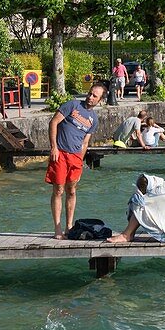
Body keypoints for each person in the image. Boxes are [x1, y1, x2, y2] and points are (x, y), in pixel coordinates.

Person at [46, 82, 104, 239]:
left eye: (94, 96)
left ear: (100, 100)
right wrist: (54, 147)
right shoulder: (72, 105)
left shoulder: (94, 119)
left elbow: (85, 142)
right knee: (58, 190)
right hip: (60, 153)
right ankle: (57, 229)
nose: (90, 97)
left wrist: (80, 160)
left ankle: (69, 226)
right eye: (90, 93)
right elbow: (54, 122)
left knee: (72, 190)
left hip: (76, 157)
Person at [107, 174, 165, 243]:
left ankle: (126, 235)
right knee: (142, 203)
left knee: (138, 204)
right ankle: (130, 233)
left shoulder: (157, 192)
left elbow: (138, 201)